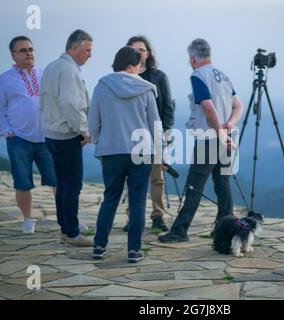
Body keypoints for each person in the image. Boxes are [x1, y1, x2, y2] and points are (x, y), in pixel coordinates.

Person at [158, 38, 244, 243]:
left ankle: (180, 230)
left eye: (190, 60)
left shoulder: (198, 76)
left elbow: (207, 107)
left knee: (194, 185)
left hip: (209, 138)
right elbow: (238, 106)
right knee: (222, 183)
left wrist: (220, 133)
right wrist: (229, 125)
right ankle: (226, 228)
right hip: (225, 137)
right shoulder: (223, 76)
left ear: (193, 58)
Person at [89, 46, 166, 262]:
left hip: (111, 151)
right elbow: (155, 126)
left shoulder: (102, 86)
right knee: (138, 201)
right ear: (132, 65)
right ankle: (133, 250)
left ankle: (99, 246)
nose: (141, 69)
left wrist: (100, 142)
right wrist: (162, 155)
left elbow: (93, 122)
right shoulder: (146, 89)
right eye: (139, 65)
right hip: (141, 152)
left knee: (110, 199)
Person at [0, 36, 56, 234]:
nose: (29, 53)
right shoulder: (4, 79)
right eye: (23, 50)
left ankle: (67, 218)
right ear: (13, 54)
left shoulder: (45, 74)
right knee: (23, 182)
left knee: (59, 180)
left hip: (46, 138)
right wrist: (6, 131)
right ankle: (28, 219)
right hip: (19, 139)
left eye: (30, 49)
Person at [40, 30, 93, 247]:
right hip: (66, 136)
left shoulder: (52, 66)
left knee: (62, 184)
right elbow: (70, 105)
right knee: (72, 185)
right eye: (87, 50)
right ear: (74, 47)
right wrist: (84, 131)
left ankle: (65, 229)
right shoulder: (69, 70)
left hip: (51, 135)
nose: (90, 55)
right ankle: (72, 233)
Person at [122, 36, 175, 233]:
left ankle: (158, 216)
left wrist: (166, 134)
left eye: (141, 49)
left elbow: (168, 107)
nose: (138, 53)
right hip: (131, 136)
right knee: (134, 179)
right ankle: (132, 217)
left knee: (157, 178)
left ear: (148, 53)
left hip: (155, 135)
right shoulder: (124, 76)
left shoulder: (159, 76)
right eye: (134, 49)